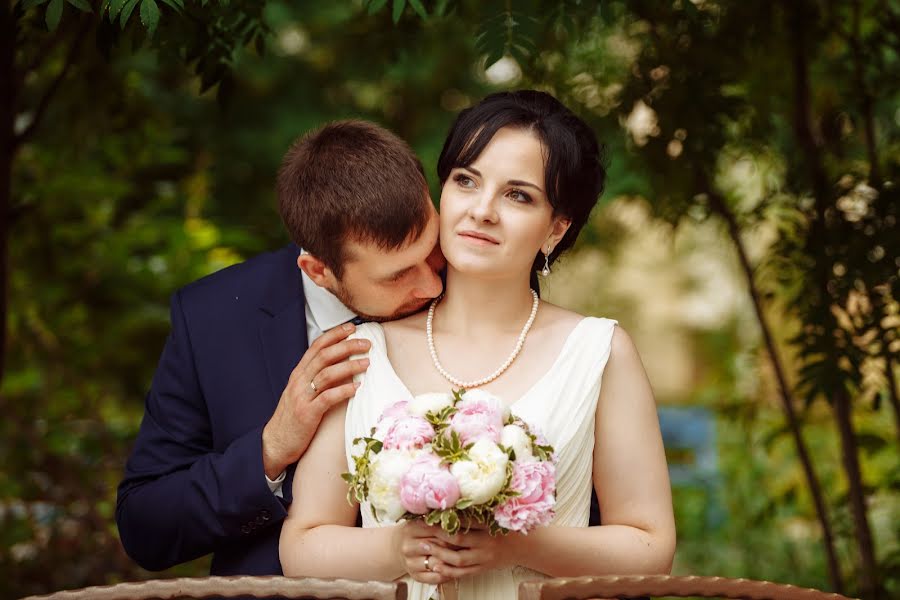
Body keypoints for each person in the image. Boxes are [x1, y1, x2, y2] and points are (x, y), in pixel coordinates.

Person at [279, 91, 676, 598]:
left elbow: (651, 548)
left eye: (519, 196)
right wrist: (398, 548)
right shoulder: (361, 351)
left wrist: (518, 546)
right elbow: (301, 547)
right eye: (466, 181)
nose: (483, 211)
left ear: (556, 228)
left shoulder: (599, 351)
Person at [115, 120, 445, 575]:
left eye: (431, 251)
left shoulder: (470, 281)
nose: (431, 284)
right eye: (397, 275)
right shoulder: (212, 319)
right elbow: (144, 526)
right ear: (317, 271)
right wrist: (270, 449)